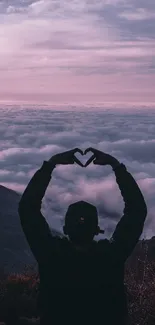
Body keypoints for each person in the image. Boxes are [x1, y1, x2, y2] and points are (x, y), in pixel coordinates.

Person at [18, 147, 147, 325]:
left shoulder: (51, 255)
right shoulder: (111, 256)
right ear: (96, 229)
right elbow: (137, 211)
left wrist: (50, 165)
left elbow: (27, 209)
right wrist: (116, 166)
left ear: (65, 228)